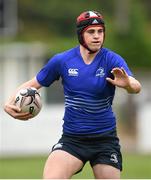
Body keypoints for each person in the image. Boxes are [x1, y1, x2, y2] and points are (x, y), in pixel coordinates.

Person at [4, 10, 141, 179]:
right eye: (91, 32)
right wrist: (8, 103)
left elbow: (136, 86)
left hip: (105, 140)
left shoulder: (112, 60)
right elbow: (32, 84)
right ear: (81, 34)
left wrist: (128, 85)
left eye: (100, 31)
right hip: (72, 140)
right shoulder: (62, 60)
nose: (97, 36)